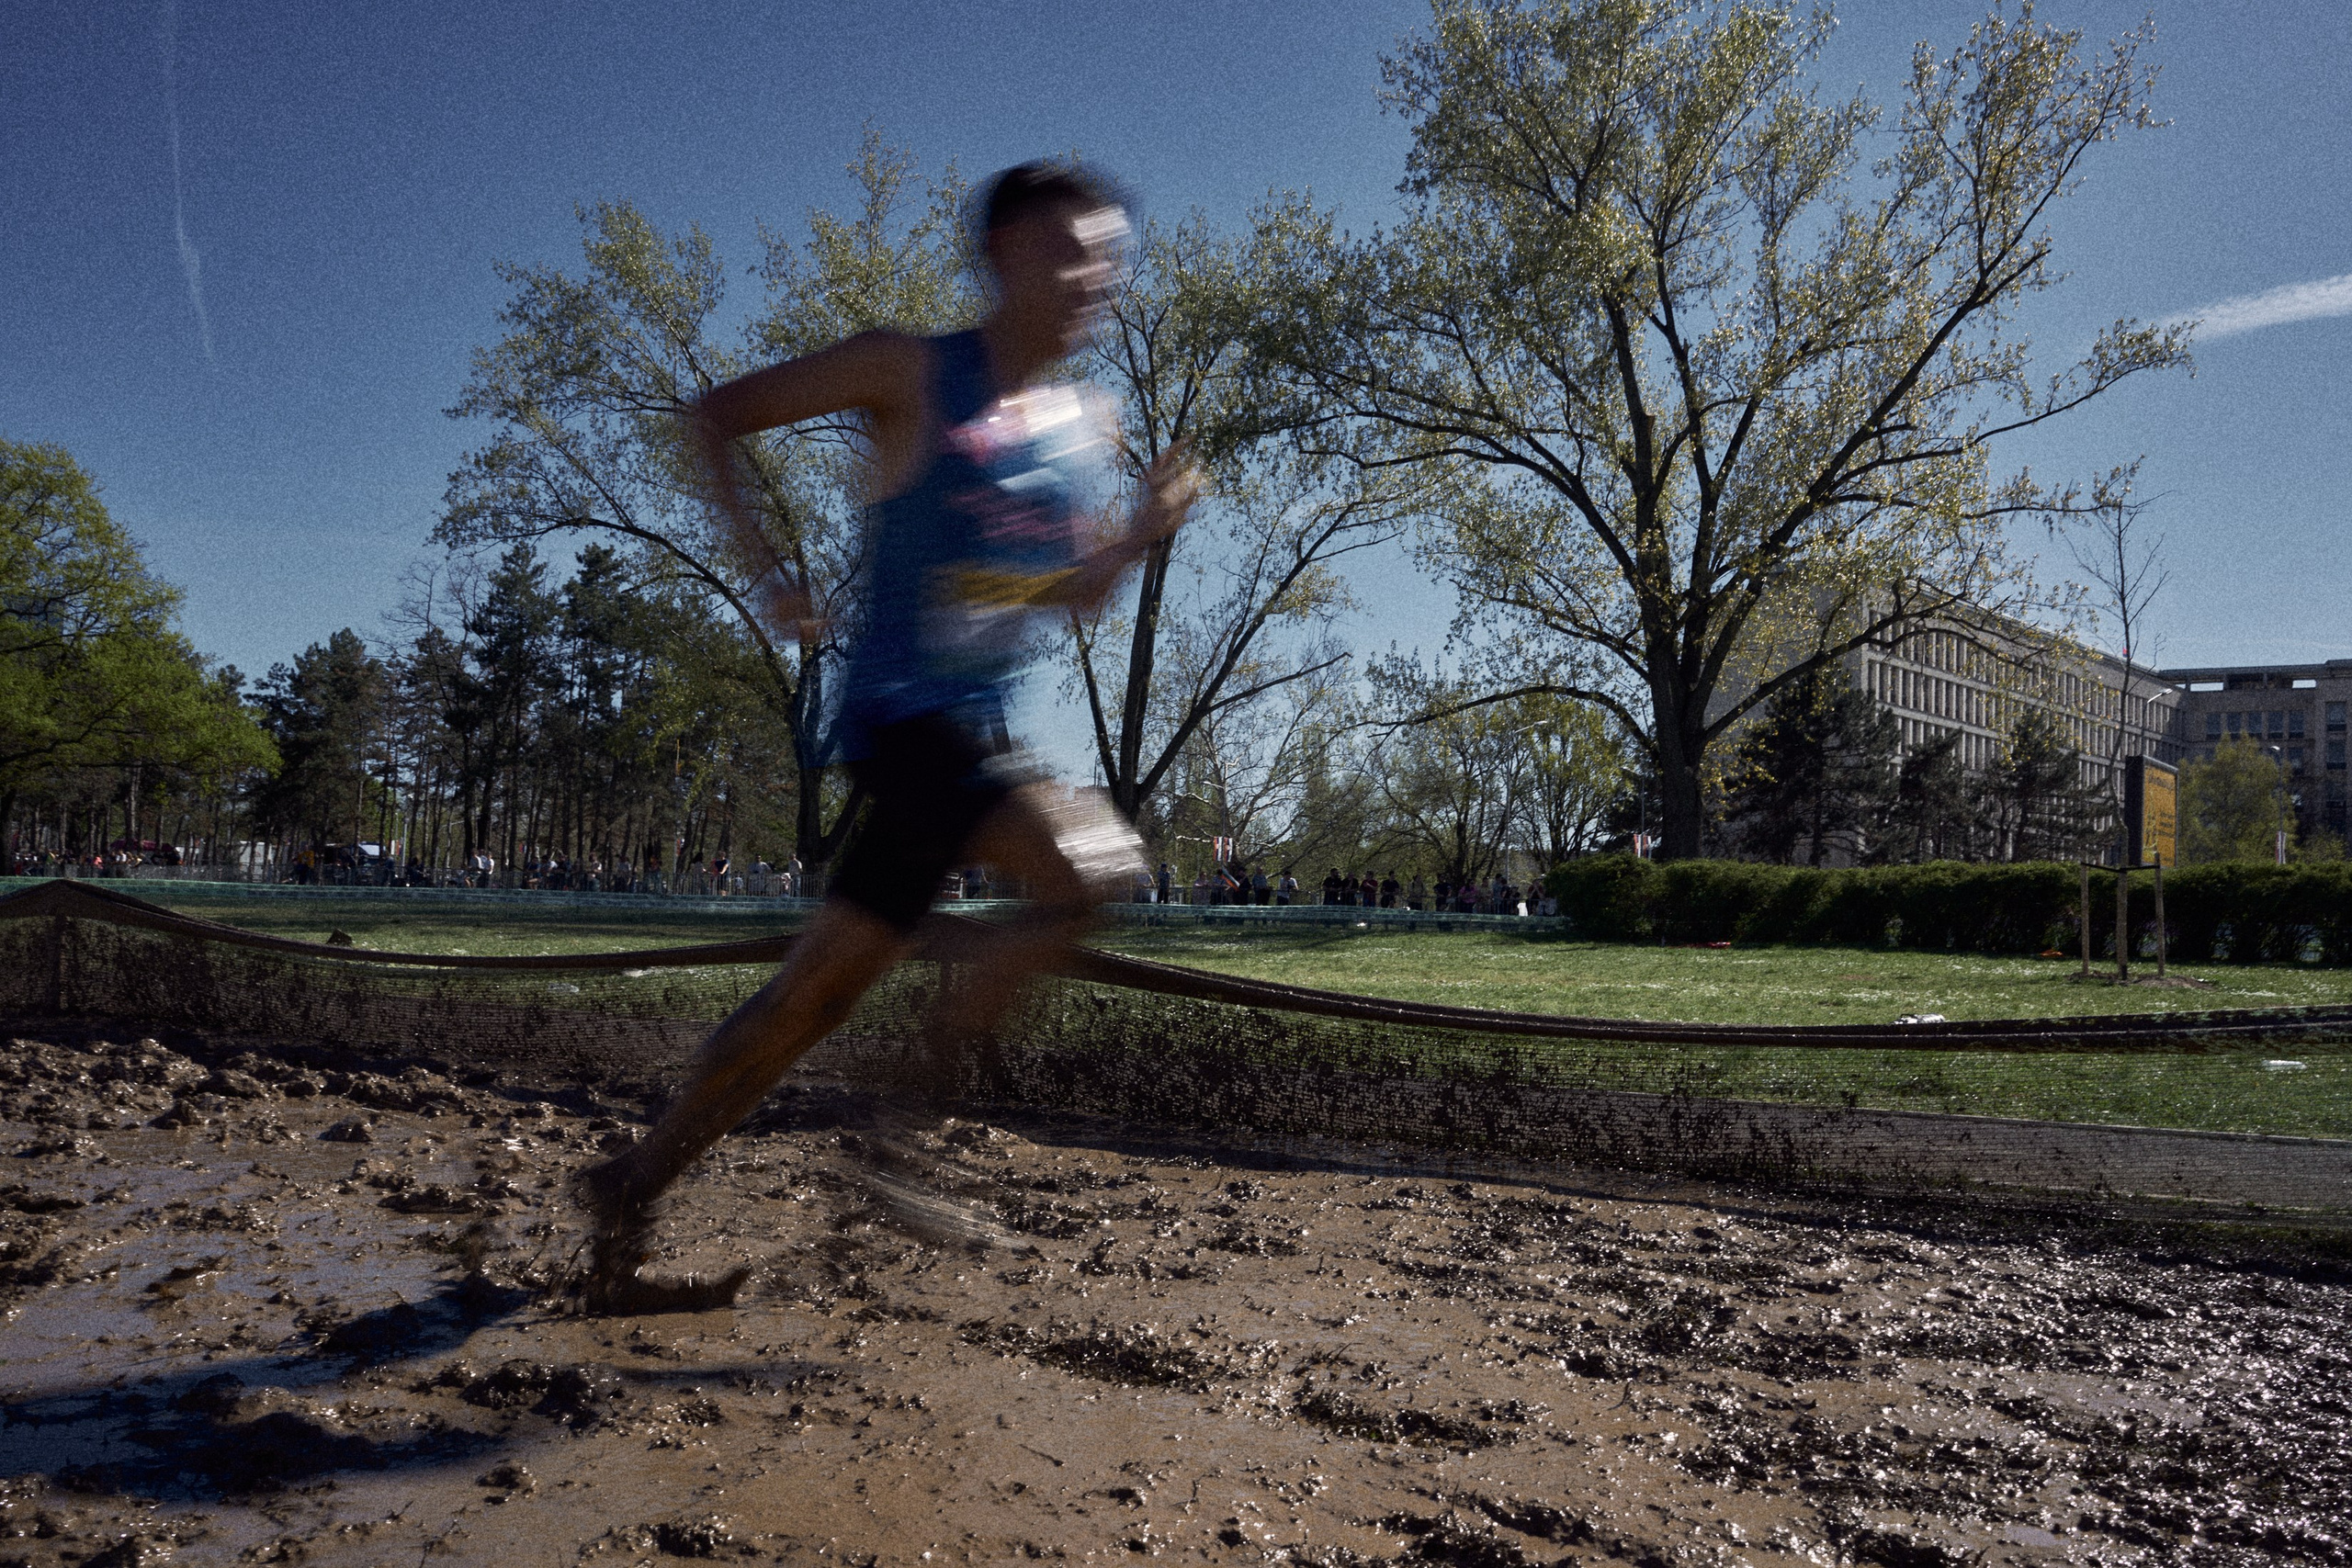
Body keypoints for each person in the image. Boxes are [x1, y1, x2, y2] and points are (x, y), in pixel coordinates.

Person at [572, 163, 1197, 1311]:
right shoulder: (907, 367)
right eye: (1068, 251)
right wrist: (771, 570)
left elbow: (1061, 593)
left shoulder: (1081, 426)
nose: (1093, 278)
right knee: (1097, 870)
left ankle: (629, 1188)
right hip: (900, 726)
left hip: (974, 731)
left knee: (810, 1004)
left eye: (1108, 259)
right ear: (1000, 255)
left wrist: (1139, 539)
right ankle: (895, 1139)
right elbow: (711, 419)